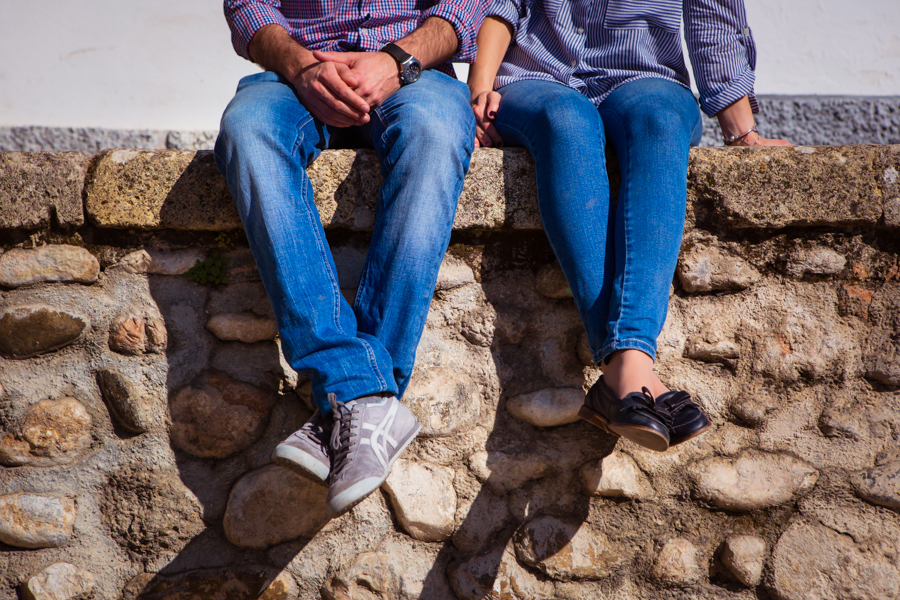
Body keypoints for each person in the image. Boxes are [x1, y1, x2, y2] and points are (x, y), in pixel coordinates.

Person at [468, 0, 790, 451]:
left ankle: (623, 372)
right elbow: (499, 4)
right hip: (533, 76)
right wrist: (478, 90)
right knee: (567, 122)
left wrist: (741, 132)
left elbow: (714, 16)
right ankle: (633, 374)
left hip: (647, 75)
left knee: (659, 121)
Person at [215, 0, 483, 515]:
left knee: (432, 134)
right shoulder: (297, 70)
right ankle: (365, 397)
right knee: (248, 131)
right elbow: (247, 4)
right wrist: (301, 67)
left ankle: (347, 399)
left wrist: (397, 60)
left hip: (415, 74)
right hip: (296, 76)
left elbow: (471, 4)